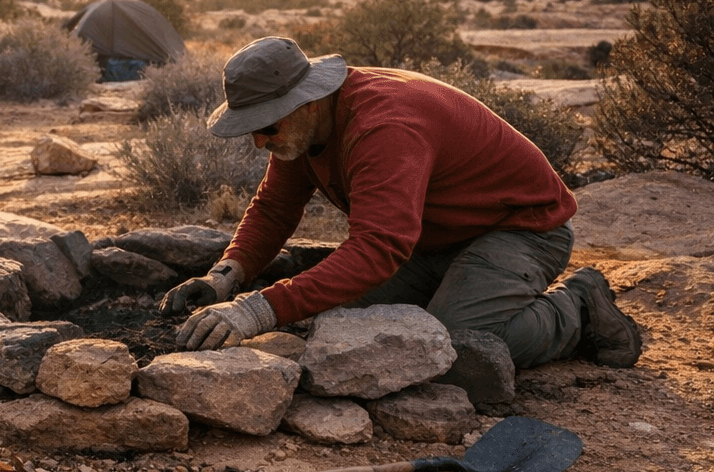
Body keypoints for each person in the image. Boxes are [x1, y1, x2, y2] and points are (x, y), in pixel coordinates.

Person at [161, 36, 642, 371]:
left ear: (306, 101)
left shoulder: (384, 127)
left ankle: (576, 308)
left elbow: (378, 248)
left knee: (451, 346)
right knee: (338, 325)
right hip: (435, 240)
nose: (260, 142)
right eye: (253, 129)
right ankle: (463, 288)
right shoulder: (303, 129)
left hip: (519, 230)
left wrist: (256, 310)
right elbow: (274, 209)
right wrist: (226, 276)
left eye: (266, 127)